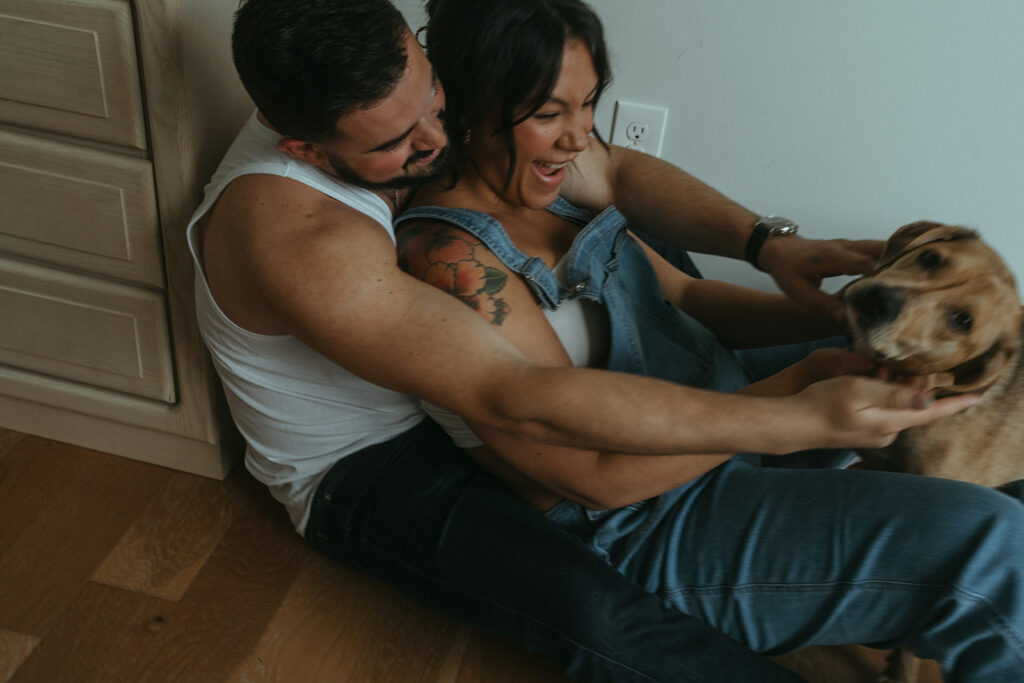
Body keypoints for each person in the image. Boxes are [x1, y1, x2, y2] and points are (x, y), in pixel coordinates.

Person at [188, 0, 977, 680]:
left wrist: (772, 248)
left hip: (472, 379)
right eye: (400, 141)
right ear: (305, 149)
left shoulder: (433, 111)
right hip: (370, 461)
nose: (437, 135)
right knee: (593, 609)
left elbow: (619, 175)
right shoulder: (306, 239)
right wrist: (797, 408)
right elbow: (521, 399)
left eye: (434, 95)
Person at [396, 0, 1024, 680]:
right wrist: (792, 396)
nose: (581, 139)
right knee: (998, 552)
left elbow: (689, 296)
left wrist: (841, 313)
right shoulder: (451, 264)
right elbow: (595, 479)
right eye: (551, 113)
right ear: (468, 100)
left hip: (716, 406)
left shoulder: (546, 184)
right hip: (654, 523)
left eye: (588, 106)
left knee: (919, 376)